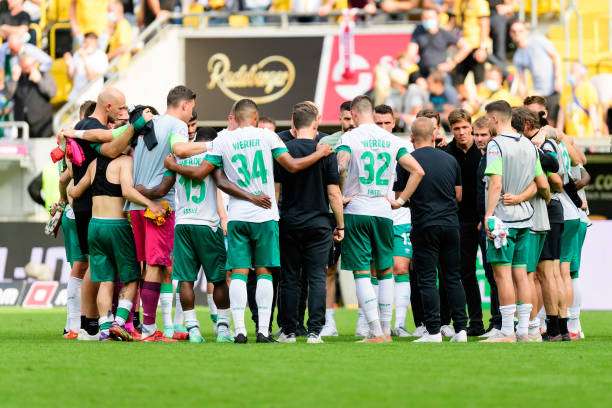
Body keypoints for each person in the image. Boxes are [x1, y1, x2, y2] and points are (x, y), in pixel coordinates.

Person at [186, 98, 332, 343]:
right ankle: (263, 331)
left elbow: (215, 179)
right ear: (255, 118)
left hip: (238, 215)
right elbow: (293, 166)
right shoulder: (267, 137)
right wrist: (319, 153)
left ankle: (240, 330)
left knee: (240, 273)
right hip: (265, 215)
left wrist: (173, 164)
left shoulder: (224, 139)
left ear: (236, 116)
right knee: (264, 271)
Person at [163, 126, 275, 343]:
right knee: (219, 280)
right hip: (209, 225)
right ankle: (223, 328)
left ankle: (193, 328)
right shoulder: (213, 157)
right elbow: (221, 182)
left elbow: (161, 189)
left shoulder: (177, 157)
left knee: (185, 280)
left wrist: (144, 190)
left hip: (183, 223)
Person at [336, 95, 424, 343]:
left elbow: (340, 167)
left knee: (362, 271)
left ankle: (374, 331)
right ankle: (386, 329)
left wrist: (341, 194)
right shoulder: (391, 139)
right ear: (371, 113)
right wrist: (401, 200)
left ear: (353, 114)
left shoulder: (349, 138)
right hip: (385, 212)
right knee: (386, 270)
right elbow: (418, 170)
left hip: (357, 209)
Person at [127, 85, 208, 342]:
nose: (191, 114)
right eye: (191, 108)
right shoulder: (176, 126)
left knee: (148, 266)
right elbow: (181, 150)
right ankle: (150, 330)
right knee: (155, 265)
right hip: (159, 207)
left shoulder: (147, 124)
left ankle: (136, 323)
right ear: (184, 105)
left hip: (137, 205)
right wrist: (214, 144)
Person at [68, 144, 164, 341]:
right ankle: (119, 323)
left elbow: (75, 192)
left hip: (94, 227)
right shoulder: (125, 162)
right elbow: (127, 191)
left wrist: (70, 170)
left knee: (106, 279)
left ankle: (104, 328)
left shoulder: (94, 164)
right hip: (117, 225)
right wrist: (150, 204)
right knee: (131, 277)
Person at [275, 102, 344, 344]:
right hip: (319, 224)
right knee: (317, 277)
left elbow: (276, 192)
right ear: (316, 124)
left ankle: (289, 331)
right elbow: (334, 194)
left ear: (293, 124)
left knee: (290, 278)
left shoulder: (281, 150)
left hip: (290, 222)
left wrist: (276, 219)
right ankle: (315, 331)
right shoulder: (325, 151)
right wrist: (341, 225)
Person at [395, 117, 467, 343]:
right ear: (434, 135)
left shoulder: (408, 161)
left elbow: (400, 196)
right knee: (453, 277)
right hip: (450, 224)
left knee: (426, 278)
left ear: (412, 138)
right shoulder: (450, 160)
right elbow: (459, 196)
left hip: (425, 224)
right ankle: (461, 330)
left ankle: (433, 331)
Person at [481, 100, 544, 343]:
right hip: (526, 218)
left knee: (502, 275)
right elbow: (538, 183)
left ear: (495, 119)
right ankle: (526, 330)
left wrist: (488, 216)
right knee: (522, 274)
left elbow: (495, 183)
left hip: (503, 220)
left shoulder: (496, 145)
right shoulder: (529, 145)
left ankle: (507, 331)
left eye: (488, 120)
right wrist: (520, 198)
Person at [510, 107, 553, 342]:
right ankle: (534, 325)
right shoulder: (532, 147)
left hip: (531, 218)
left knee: (527, 275)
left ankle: (532, 326)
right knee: (530, 275)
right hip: (537, 218)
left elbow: (545, 183)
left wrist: (543, 197)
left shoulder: (524, 148)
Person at [444, 109, 484, 336]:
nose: (461, 133)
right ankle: (475, 322)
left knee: (493, 273)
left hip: (484, 220)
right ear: (451, 130)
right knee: (465, 273)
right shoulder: (447, 153)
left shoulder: (485, 151)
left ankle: (499, 323)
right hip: (459, 221)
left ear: (471, 126)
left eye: (464, 128)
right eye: (456, 129)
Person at [375, 104, 414, 337]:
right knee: (375, 269)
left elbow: (416, 177)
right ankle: (374, 323)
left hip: (400, 215)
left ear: (394, 122)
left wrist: (400, 200)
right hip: (374, 214)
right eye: (378, 123)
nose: (382, 127)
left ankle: (399, 323)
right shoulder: (363, 144)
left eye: (386, 123)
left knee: (400, 268)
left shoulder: (404, 147)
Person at [319, 100, 354, 337]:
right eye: (345, 119)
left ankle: (368, 321)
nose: (349, 124)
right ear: (339, 119)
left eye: (352, 118)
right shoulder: (326, 143)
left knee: (369, 268)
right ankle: (328, 320)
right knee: (328, 269)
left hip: (361, 211)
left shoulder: (368, 141)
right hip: (332, 213)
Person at [472, 116, 501, 337]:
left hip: (496, 222)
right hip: (485, 222)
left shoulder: (494, 156)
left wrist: (487, 217)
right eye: (477, 134)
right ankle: (496, 322)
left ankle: (501, 323)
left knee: (498, 274)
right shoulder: (482, 158)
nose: (479, 139)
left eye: (483, 135)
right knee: (492, 274)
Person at [510, 21, 562, 122]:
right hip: (539, 92)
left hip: (553, 87)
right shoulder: (518, 56)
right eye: (514, 31)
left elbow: (555, 56)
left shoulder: (538, 40)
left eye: (520, 31)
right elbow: (521, 80)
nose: (517, 33)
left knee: (553, 120)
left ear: (526, 32)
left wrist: (558, 78)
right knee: (543, 122)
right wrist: (524, 97)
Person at [8, 51, 55, 138]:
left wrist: (39, 81)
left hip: (42, 122)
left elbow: (52, 93)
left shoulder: (44, 74)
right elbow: (8, 96)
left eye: (29, 66)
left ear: (34, 64)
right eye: (24, 67)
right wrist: (14, 80)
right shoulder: (16, 77)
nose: (27, 69)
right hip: (21, 122)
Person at [451, 0, 491, 100]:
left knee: (479, 80)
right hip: (463, 47)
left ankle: (480, 105)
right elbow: (456, 23)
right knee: (457, 80)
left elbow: (485, 25)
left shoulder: (480, 2)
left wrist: (483, 48)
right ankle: (469, 102)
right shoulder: (460, 2)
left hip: (476, 47)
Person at [557, 63, 602, 138]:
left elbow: (592, 112)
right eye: (571, 71)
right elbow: (561, 115)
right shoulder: (566, 89)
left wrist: (596, 132)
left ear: (581, 75)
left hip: (586, 137)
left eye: (573, 71)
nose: (571, 74)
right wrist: (558, 134)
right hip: (571, 138)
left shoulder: (588, 88)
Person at [65, 32, 109, 103]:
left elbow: (92, 77)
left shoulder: (101, 56)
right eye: (84, 42)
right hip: (75, 97)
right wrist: (69, 64)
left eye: (88, 43)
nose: (85, 45)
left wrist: (84, 58)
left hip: (91, 99)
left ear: (96, 43)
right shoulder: (78, 54)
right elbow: (71, 78)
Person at [107, 0, 133, 73]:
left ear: (119, 10)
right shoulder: (116, 26)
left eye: (110, 11)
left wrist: (107, 57)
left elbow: (123, 47)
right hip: (115, 68)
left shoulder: (123, 25)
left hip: (120, 68)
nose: (108, 14)